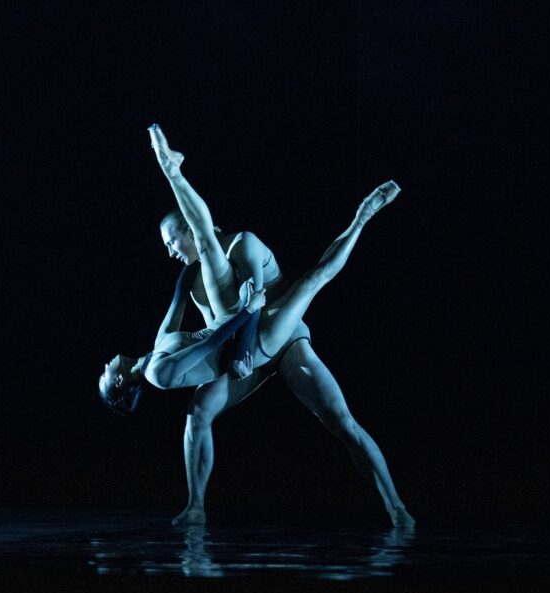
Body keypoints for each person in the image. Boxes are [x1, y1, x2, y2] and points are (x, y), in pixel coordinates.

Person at [99, 124, 415, 528]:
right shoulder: (191, 282)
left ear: (188, 231)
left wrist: (244, 351)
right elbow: (206, 323)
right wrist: (237, 355)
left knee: (341, 419)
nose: (169, 251)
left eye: (170, 241)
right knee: (198, 411)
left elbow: (253, 304)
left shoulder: (242, 244)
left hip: (273, 334)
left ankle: (397, 507)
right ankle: (195, 506)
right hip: (242, 349)